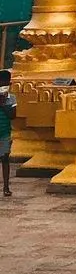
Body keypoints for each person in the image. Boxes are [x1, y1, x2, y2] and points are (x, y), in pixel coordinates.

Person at [0, 69, 15, 197]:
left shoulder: (12, 98)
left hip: (5, 133)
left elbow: (12, 115)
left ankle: (6, 187)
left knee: (5, 158)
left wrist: (4, 103)